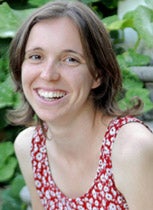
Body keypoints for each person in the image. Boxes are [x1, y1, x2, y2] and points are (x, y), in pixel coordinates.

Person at [8, 0, 153, 209]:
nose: (48, 74)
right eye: (36, 56)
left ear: (97, 75)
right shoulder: (30, 147)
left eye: (70, 60)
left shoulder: (131, 148)